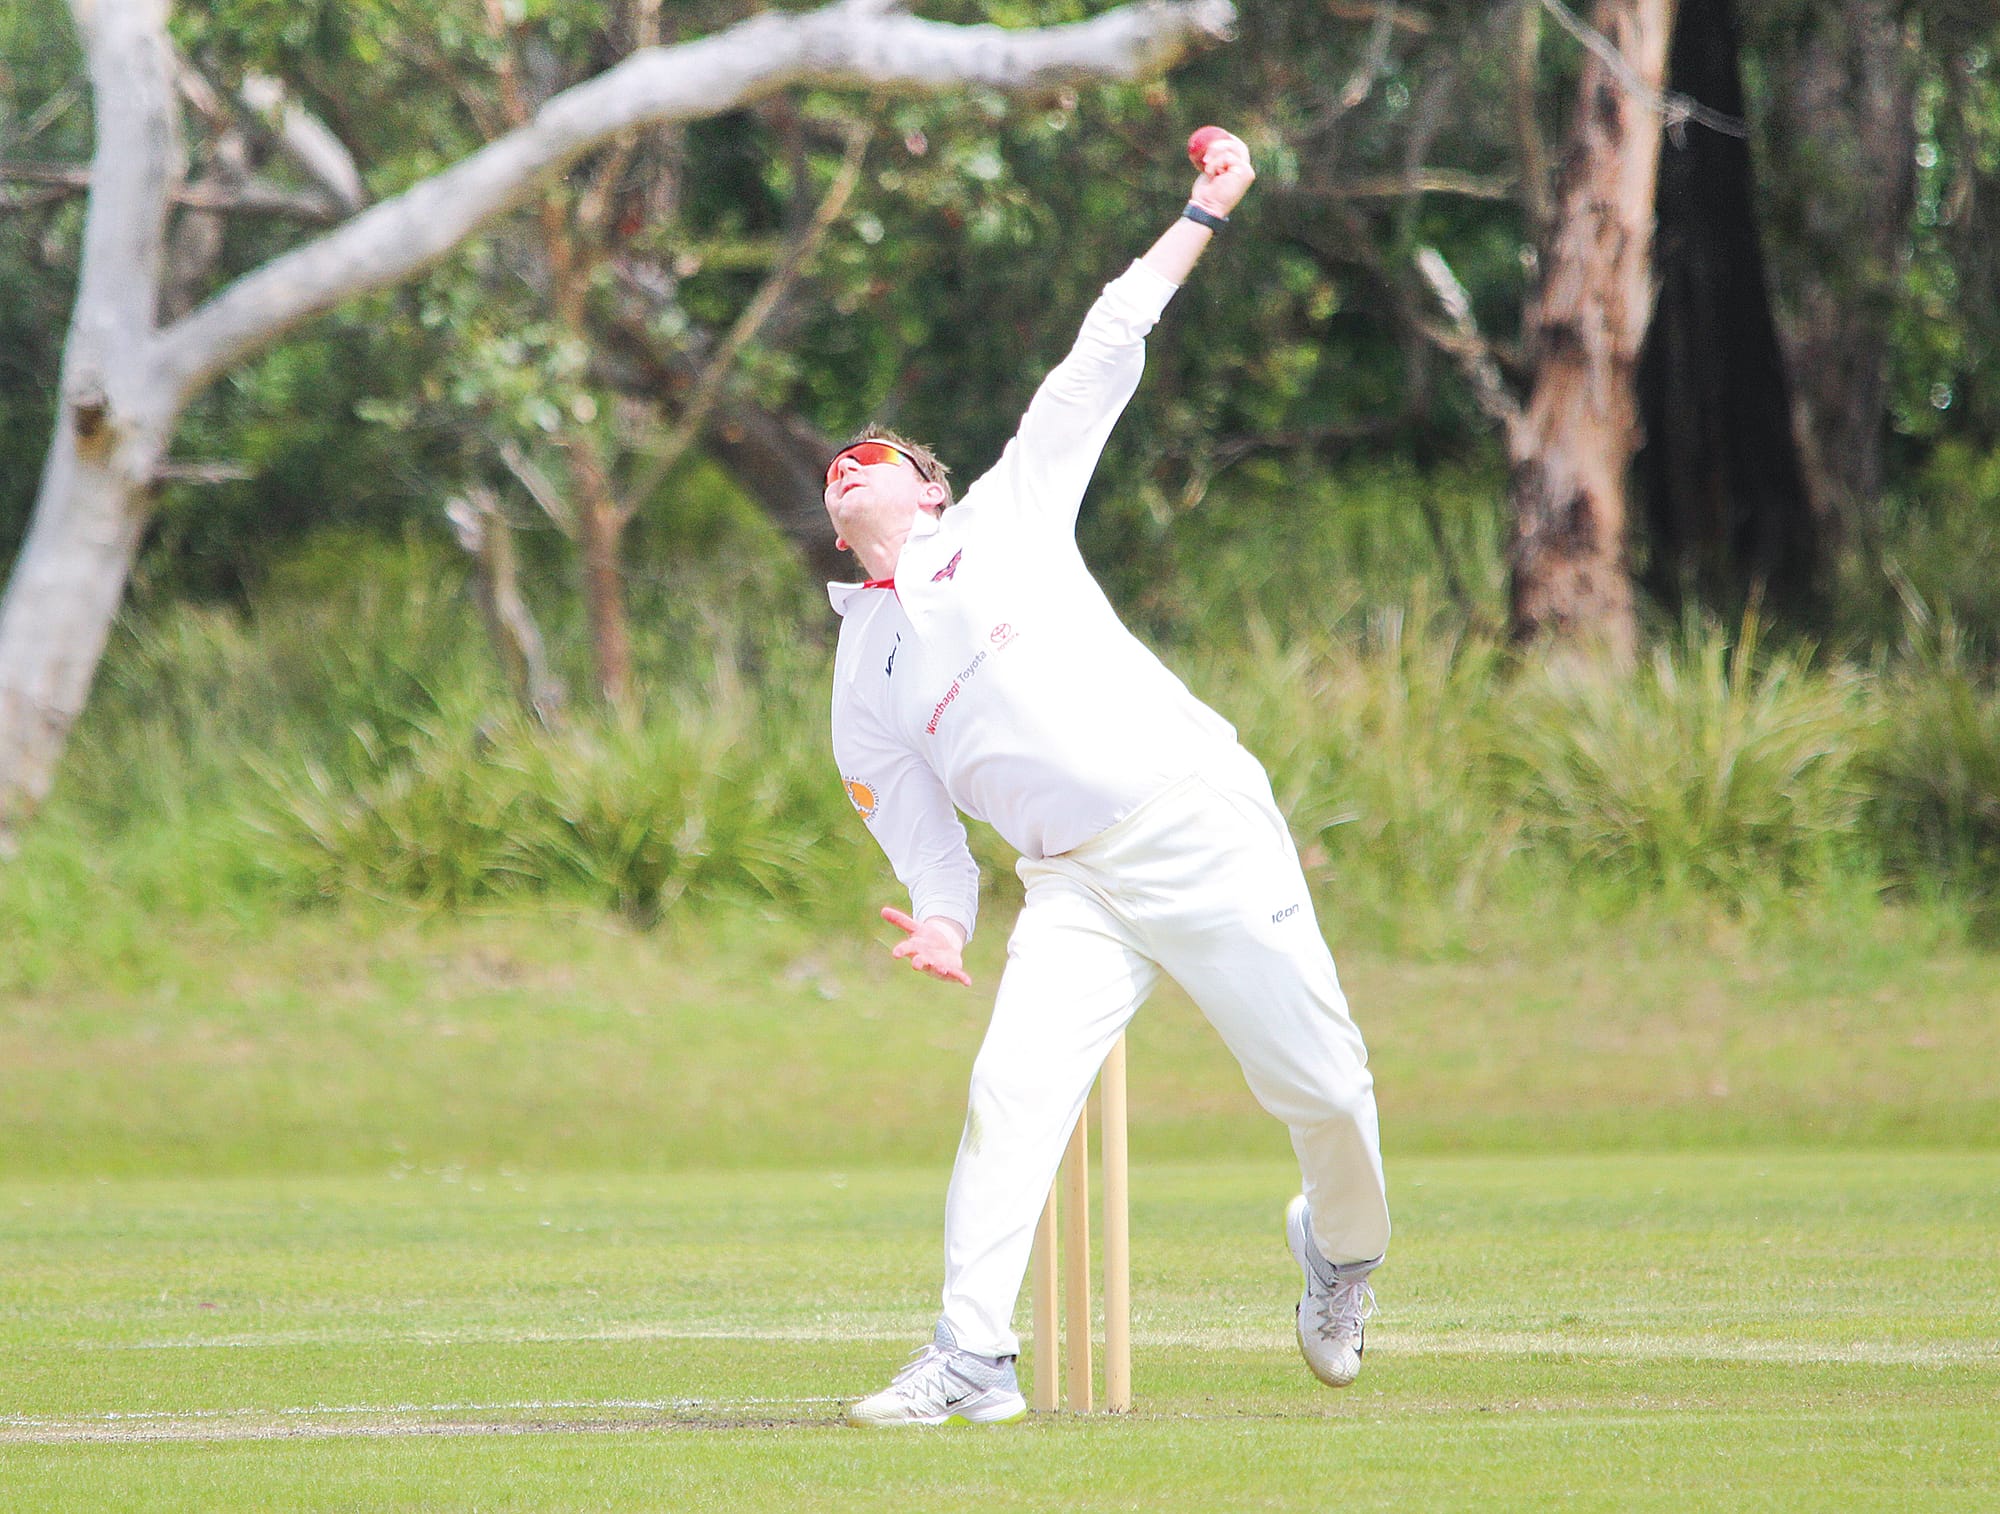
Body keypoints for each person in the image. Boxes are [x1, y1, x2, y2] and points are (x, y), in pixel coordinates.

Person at [822, 129, 1389, 1428]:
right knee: (1009, 1094)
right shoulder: (865, 675)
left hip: (1196, 821)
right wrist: (948, 924)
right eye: (833, 467)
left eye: (884, 452)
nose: (856, 460)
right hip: (1072, 883)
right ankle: (971, 1358)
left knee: (1326, 1089)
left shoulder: (1008, 511)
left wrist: (1206, 207)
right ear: (836, 523)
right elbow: (928, 844)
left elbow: (1106, 344)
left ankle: (1342, 1256)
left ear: (929, 485)